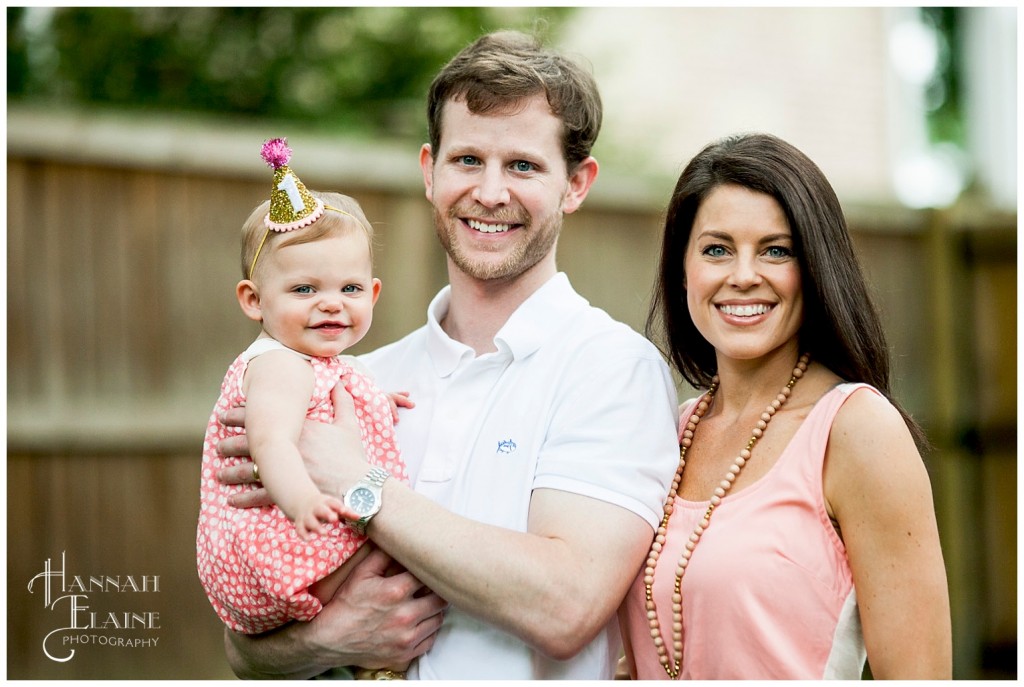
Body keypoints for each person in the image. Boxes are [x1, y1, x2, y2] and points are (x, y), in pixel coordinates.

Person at [216, 30, 680, 679]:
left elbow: (567, 605)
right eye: (468, 161)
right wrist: (325, 641)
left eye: (523, 165)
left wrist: (359, 483)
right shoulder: (357, 380)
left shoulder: (611, 369)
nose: (490, 193)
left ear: (577, 183)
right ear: (430, 171)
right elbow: (242, 641)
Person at [618, 133, 952, 679]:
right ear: (683, 272)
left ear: (815, 268)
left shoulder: (857, 430)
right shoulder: (668, 431)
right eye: (716, 249)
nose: (743, 274)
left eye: (776, 250)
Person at [197, 138, 411, 677]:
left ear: (374, 293)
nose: (332, 302)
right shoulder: (279, 366)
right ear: (254, 300)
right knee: (406, 556)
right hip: (286, 545)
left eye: (350, 287)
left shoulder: (321, 364)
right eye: (304, 288)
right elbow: (271, 441)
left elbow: (326, 400)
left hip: (286, 553)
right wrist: (300, 502)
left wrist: (375, 401)